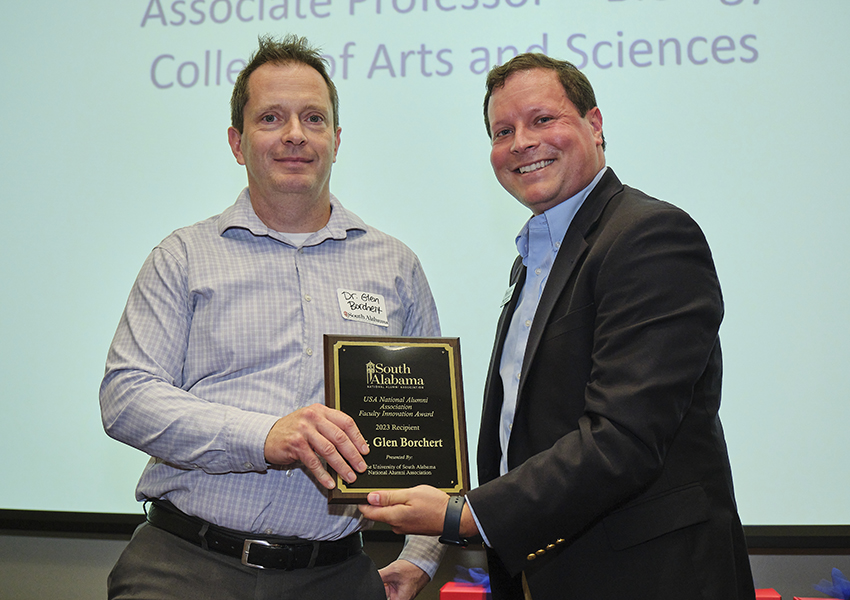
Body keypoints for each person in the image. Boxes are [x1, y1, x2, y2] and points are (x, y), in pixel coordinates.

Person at [360, 53, 756, 600]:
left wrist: (466, 515)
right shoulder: (534, 258)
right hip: (545, 571)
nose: (521, 142)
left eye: (542, 119)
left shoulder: (649, 236)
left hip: (647, 578)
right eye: (503, 130)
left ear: (594, 125)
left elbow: (623, 439)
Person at [100, 34, 443, 600]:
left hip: (336, 576)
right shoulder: (182, 257)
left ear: (337, 139)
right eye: (271, 118)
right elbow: (127, 396)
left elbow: (430, 426)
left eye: (313, 118)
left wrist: (424, 554)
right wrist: (264, 435)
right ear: (237, 142)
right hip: (184, 567)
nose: (294, 135)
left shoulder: (396, 267)